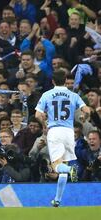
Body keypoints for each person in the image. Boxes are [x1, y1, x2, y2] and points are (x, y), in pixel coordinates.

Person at [35, 70, 91, 207]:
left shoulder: (47, 95)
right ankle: (57, 199)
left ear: (53, 81)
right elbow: (88, 111)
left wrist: (44, 124)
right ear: (66, 80)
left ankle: (70, 170)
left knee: (56, 165)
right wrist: (85, 119)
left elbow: (37, 115)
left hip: (55, 131)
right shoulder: (73, 95)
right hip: (68, 132)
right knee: (64, 164)